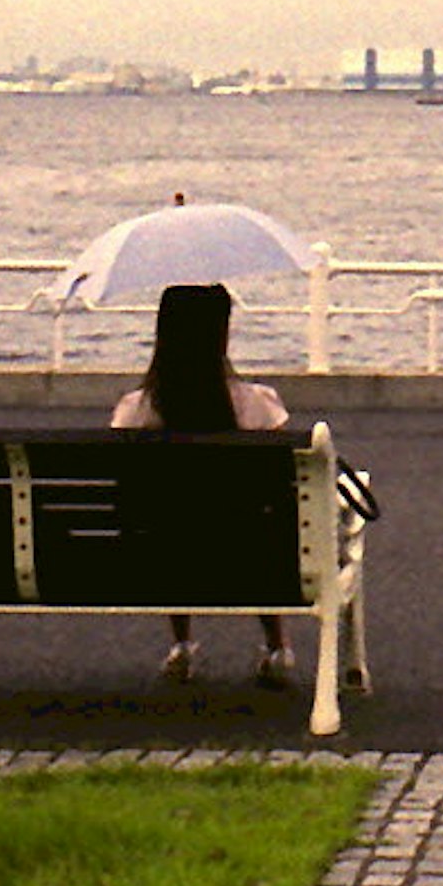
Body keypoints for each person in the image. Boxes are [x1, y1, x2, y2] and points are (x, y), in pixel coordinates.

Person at [115, 281, 294, 689]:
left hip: (160, 556)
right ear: (222, 335)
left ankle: (181, 645)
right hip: (252, 556)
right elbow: (282, 491)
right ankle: (277, 646)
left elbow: (129, 496)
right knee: (257, 525)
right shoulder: (257, 405)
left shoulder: (136, 410)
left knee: (170, 522)